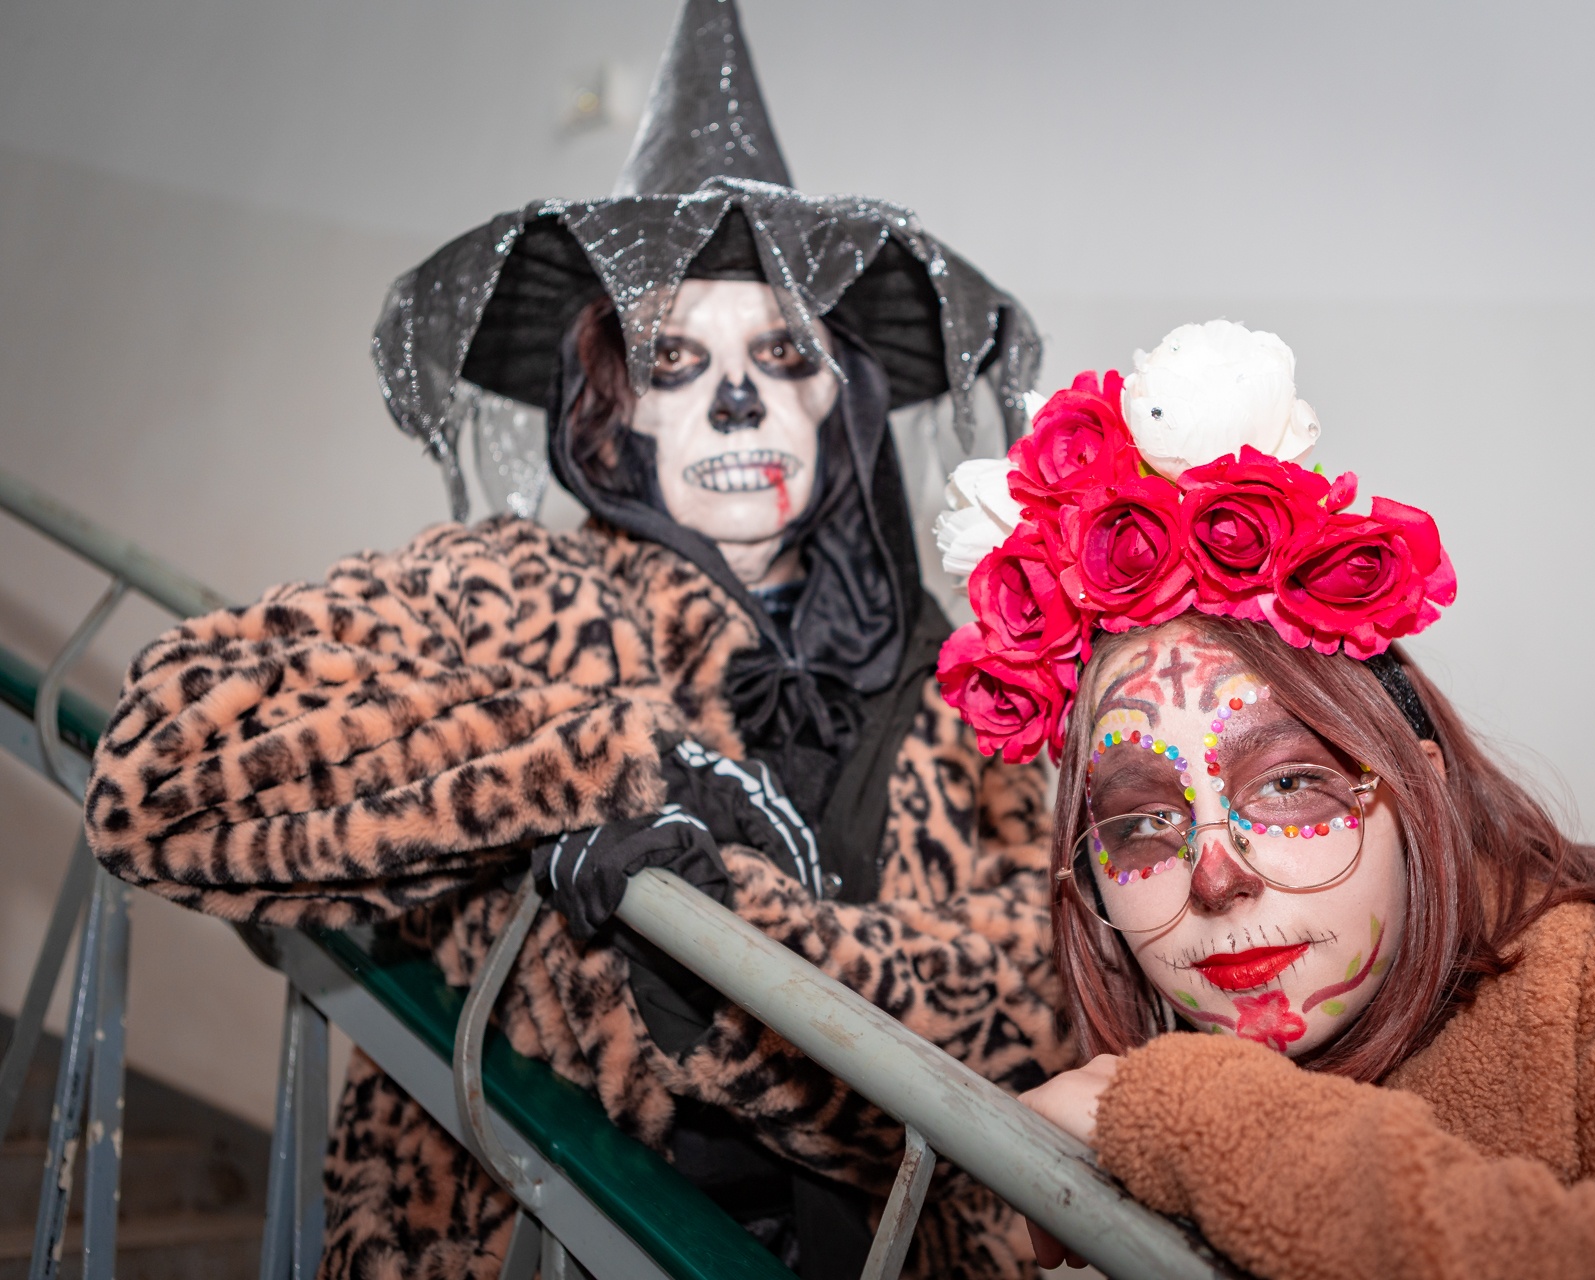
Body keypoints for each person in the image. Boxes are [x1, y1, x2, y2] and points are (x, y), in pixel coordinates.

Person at [83, 3, 1068, 1276]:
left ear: (843, 401)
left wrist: (742, 938)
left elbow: (1046, 984)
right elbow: (164, 767)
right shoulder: (513, 589)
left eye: (782, 353)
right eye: (674, 358)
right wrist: (611, 762)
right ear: (615, 411)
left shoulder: (967, 686)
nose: (736, 401)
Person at [926, 320, 1595, 1277]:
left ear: (1419, 788)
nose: (1216, 877)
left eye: (1288, 784)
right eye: (1145, 821)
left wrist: (1213, 1124)